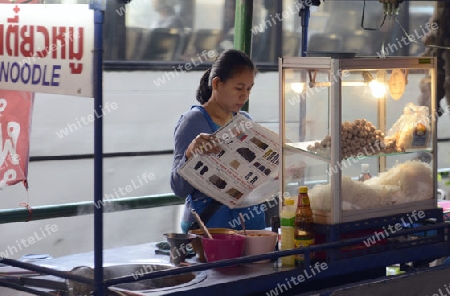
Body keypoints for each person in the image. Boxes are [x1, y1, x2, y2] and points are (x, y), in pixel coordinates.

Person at [170, 49, 266, 233]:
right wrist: (190, 153)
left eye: (249, 88)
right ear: (217, 84)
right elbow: (178, 188)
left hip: (251, 224)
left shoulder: (245, 120)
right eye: (238, 88)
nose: (244, 95)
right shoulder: (193, 121)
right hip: (212, 229)